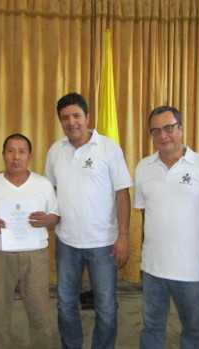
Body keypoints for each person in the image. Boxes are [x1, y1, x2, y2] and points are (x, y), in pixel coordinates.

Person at [45, 92, 132, 349]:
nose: (72, 122)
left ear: (87, 117)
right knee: (65, 303)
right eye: (65, 118)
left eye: (76, 116)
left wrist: (123, 237)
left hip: (103, 243)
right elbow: (49, 192)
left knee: (105, 306)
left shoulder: (109, 148)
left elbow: (122, 194)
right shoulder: (55, 151)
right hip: (66, 242)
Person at [135, 106, 199, 348]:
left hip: (190, 268)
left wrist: (194, 232)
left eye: (169, 128)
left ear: (181, 129)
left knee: (193, 329)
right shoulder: (143, 167)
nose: (163, 135)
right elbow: (144, 210)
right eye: (156, 131)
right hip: (153, 267)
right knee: (152, 327)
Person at [0, 133, 59, 349]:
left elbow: (55, 216)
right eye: (10, 151)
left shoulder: (43, 184)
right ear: (3, 155)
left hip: (35, 257)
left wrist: (47, 220)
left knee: (40, 313)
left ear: (29, 156)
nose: (16, 157)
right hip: (0, 256)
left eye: (21, 151)